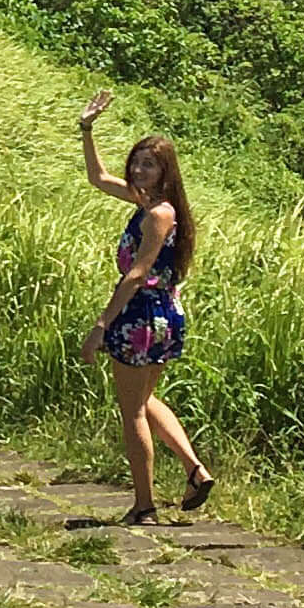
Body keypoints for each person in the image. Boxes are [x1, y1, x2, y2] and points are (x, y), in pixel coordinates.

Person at [80, 93, 214, 523]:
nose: (138, 170)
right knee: (147, 397)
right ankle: (195, 470)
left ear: (165, 172)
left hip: (140, 314)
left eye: (148, 164)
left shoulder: (159, 213)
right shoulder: (147, 202)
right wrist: (87, 129)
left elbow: (136, 273)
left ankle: (144, 506)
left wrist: (102, 324)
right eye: (136, 162)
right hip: (163, 314)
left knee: (133, 409)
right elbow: (98, 178)